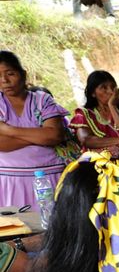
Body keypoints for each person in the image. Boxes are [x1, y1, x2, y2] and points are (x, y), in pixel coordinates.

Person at [0, 51, 70, 208]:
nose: (4, 80)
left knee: (52, 221)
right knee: (14, 222)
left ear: (23, 74)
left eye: (10, 74)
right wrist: (39, 136)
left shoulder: (42, 100)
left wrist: (8, 130)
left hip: (49, 178)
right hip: (9, 181)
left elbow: (54, 135)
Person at [70, 70, 119, 157]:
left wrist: (112, 105)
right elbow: (85, 139)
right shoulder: (84, 114)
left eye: (113, 87)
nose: (111, 91)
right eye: (104, 88)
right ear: (93, 93)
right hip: (100, 163)